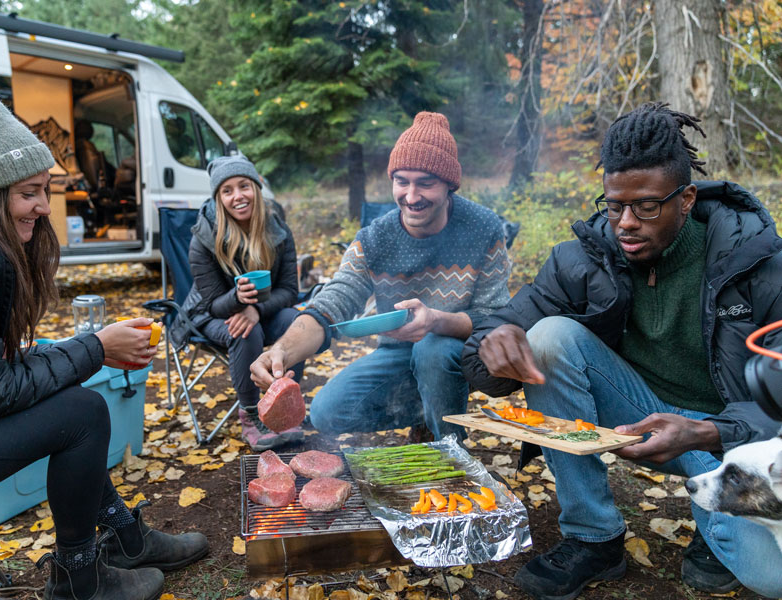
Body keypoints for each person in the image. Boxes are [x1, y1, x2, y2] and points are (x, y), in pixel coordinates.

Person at [0, 86, 208, 600]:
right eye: (28, 192)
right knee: (80, 413)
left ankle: (125, 538)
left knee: (68, 400)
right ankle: (80, 579)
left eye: (44, 191)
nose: (41, 207)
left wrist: (83, 346)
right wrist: (96, 348)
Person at [462, 102, 782, 600]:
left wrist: (708, 431)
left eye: (646, 206)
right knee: (547, 335)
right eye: (615, 206)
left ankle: (711, 524)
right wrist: (491, 341)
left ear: (687, 198)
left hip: (724, 441)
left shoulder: (756, 263)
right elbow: (505, 324)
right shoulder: (584, 257)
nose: (626, 223)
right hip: (636, 416)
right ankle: (594, 539)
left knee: (772, 577)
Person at [251, 112, 511, 441]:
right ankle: (429, 411)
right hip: (396, 352)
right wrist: (281, 352)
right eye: (402, 181)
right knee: (325, 412)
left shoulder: (483, 228)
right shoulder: (376, 238)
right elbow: (334, 300)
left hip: (461, 351)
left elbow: (495, 316)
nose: (412, 196)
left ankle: (449, 447)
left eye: (426, 183)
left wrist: (435, 320)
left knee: (432, 351)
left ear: (449, 185)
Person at [181, 155, 305, 451]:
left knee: (296, 321)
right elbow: (212, 304)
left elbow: (289, 290)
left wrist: (256, 309)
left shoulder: (278, 230)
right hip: (211, 313)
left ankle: (286, 402)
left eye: (244, 186)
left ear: (257, 187)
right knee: (246, 329)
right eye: (227, 190)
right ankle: (251, 413)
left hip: (262, 309)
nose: (238, 196)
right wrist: (238, 300)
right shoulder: (204, 238)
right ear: (219, 197)